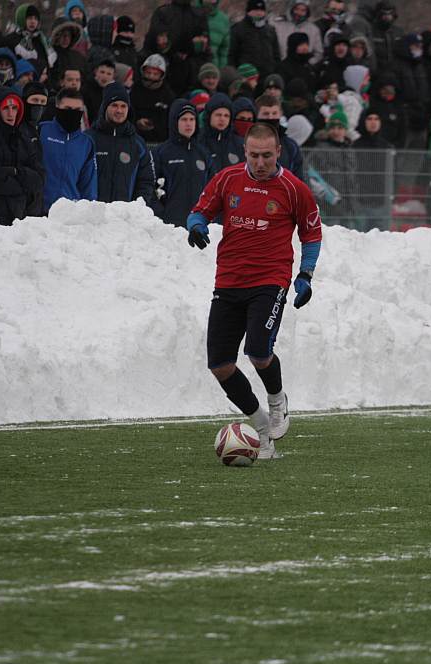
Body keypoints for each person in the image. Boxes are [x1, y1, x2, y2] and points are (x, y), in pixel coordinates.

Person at [186, 122, 324, 460]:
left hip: (270, 280)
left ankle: (277, 401)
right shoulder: (228, 179)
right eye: (253, 155)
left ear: (278, 152)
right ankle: (261, 428)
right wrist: (196, 225)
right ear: (245, 152)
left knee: (259, 351)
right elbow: (198, 210)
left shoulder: (294, 189)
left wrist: (305, 275)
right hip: (228, 281)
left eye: (266, 155)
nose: (259, 162)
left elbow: (312, 234)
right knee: (219, 364)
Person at [0, 86, 44, 225]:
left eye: (15, 108)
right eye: (6, 108)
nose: (11, 113)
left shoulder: (23, 138)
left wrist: (16, 171)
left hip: (22, 217)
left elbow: (40, 178)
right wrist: (25, 184)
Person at [87, 83, 155, 204]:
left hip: (124, 218)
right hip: (92, 216)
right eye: (114, 105)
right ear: (105, 107)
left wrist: (136, 208)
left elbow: (146, 181)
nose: (119, 110)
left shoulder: (137, 143)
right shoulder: (88, 139)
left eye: (123, 106)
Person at [150, 99, 205, 228]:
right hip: (169, 226)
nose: (189, 124)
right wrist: (161, 214)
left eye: (192, 119)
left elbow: (212, 190)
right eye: (184, 119)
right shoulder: (160, 153)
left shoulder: (203, 154)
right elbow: (148, 187)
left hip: (197, 225)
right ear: (174, 122)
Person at [40, 88, 97, 210]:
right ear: (57, 107)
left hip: (69, 215)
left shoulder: (86, 143)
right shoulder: (41, 131)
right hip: (38, 211)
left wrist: (88, 213)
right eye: (67, 109)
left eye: (77, 110)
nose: (72, 113)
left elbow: (88, 185)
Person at [255, 93, 305, 180]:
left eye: (274, 113)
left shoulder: (290, 146)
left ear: (280, 113)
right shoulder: (246, 142)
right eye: (266, 114)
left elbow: (298, 178)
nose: (271, 117)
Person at [229, 0, 279, 84]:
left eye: (261, 10)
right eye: (255, 10)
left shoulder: (270, 30)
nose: (259, 13)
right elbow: (232, 54)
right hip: (246, 76)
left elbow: (276, 54)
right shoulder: (238, 29)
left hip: (267, 76)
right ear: (249, 11)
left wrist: (275, 70)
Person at [273, 0, 322, 67]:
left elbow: (319, 53)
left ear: (307, 12)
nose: (299, 13)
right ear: (291, 9)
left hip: (303, 69)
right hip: (281, 66)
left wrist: (308, 63)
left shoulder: (313, 29)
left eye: (303, 10)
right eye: (297, 9)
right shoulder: (279, 25)